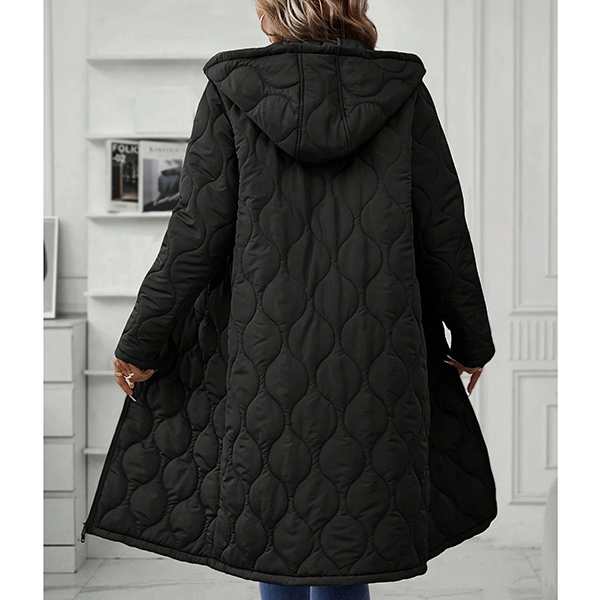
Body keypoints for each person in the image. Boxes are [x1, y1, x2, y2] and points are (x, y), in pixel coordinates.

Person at [83, 2, 497, 599]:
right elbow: (443, 230)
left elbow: (195, 234)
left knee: (272, 521)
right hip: (378, 358)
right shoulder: (403, 93)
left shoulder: (232, 90)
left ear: (272, 13)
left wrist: (140, 342)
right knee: (356, 527)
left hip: (263, 359)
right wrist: (472, 338)